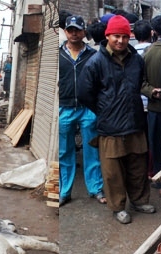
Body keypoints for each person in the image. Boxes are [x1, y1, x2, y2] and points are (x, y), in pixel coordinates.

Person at [80, 15, 153, 224]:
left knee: (138, 167)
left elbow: (140, 83)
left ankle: (139, 201)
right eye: (115, 36)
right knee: (113, 173)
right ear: (107, 36)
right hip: (110, 126)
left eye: (124, 36)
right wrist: (104, 110)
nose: (120, 41)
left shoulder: (136, 60)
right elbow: (85, 94)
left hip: (134, 122)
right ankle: (118, 207)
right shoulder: (96, 62)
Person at [58, 15, 106, 205]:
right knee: (64, 151)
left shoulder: (93, 55)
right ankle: (65, 191)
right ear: (65, 31)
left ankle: (95, 188)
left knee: (92, 149)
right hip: (65, 108)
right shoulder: (59, 54)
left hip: (88, 109)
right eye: (70, 30)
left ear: (84, 32)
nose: (74, 33)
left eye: (77, 30)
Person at [141, 15, 161, 205]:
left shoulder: (148, 52)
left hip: (154, 108)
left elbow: (139, 82)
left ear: (154, 32)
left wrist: (152, 91)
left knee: (158, 147)